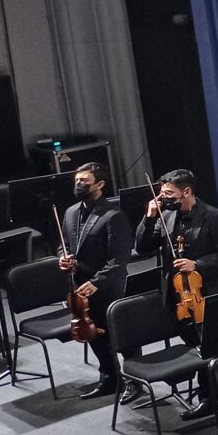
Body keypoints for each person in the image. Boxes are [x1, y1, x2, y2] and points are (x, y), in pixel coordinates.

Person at [135, 169, 218, 350]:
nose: (163, 198)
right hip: (177, 296)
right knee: (191, 344)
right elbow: (142, 248)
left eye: (169, 193)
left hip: (208, 292)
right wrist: (149, 219)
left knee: (216, 346)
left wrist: (197, 264)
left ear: (186, 192)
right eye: (162, 193)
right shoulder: (166, 216)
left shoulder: (213, 217)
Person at [61, 163, 134, 400]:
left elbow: (119, 258)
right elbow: (65, 245)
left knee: (121, 335)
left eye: (84, 181)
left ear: (100, 184)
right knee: (94, 333)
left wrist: (98, 282)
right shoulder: (70, 212)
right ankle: (110, 378)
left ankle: (134, 381)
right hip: (81, 286)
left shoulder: (113, 216)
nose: (78, 185)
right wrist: (63, 259)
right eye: (77, 180)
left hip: (108, 286)